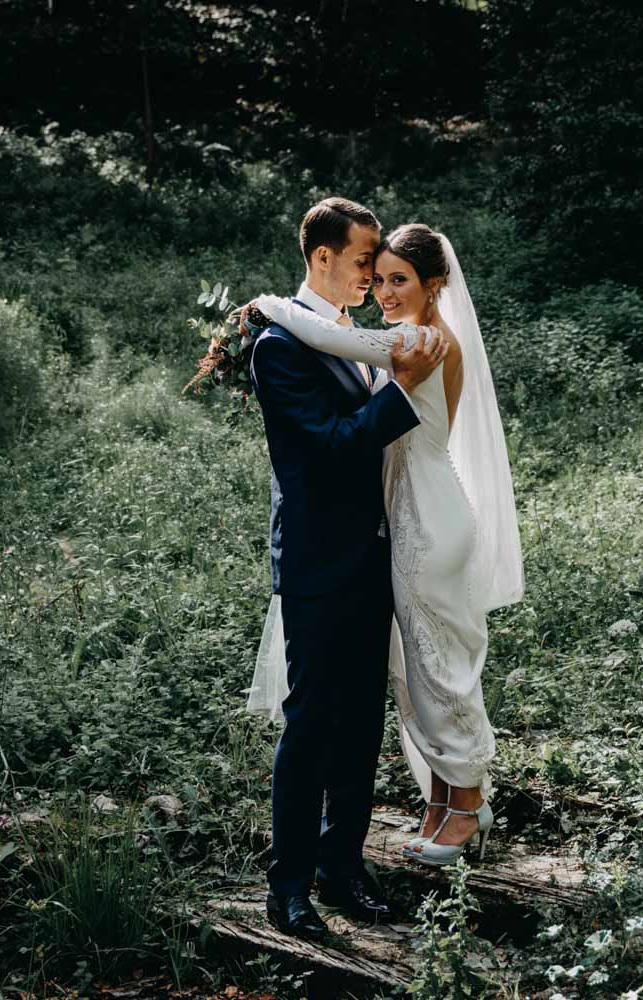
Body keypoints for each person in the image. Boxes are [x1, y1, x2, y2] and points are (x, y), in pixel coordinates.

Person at [249, 221, 524, 878]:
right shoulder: (413, 337)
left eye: (397, 279)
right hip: (407, 518)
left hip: (428, 518)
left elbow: (327, 334)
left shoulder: (421, 339)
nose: (382, 290)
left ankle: (468, 803)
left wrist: (267, 305)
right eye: (378, 278)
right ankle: (442, 801)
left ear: (435, 287)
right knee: (418, 665)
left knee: (438, 664)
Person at [247, 197, 448, 941]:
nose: (372, 273)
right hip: (314, 560)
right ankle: (289, 887)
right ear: (323, 256)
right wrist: (400, 396)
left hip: (372, 554)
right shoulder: (277, 346)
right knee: (310, 724)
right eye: (364, 258)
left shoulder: (348, 335)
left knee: (362, 719)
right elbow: (331, 446)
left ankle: (343, 866)